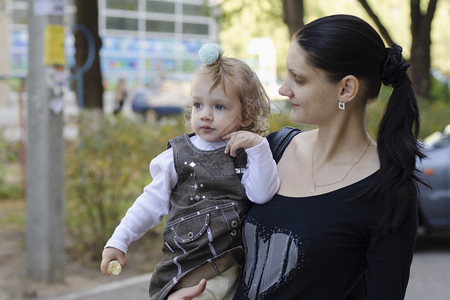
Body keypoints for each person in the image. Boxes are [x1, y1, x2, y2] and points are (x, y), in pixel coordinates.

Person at [169, 14, 426, 300]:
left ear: (346, 89)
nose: (283, 89)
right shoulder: (271, 150)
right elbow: (212, 236)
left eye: (299, 79)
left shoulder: (389, 190)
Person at [100, 43, 278, 300]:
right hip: (189, 274)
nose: (205, 115)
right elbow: (150, 203)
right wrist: (119, 240)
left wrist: (259, 147)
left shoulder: (249, 154)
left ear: (247, 115)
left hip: (236, 272)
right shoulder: (177, 155)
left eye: (219, 107)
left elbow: (262, 195)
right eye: (198, 105)